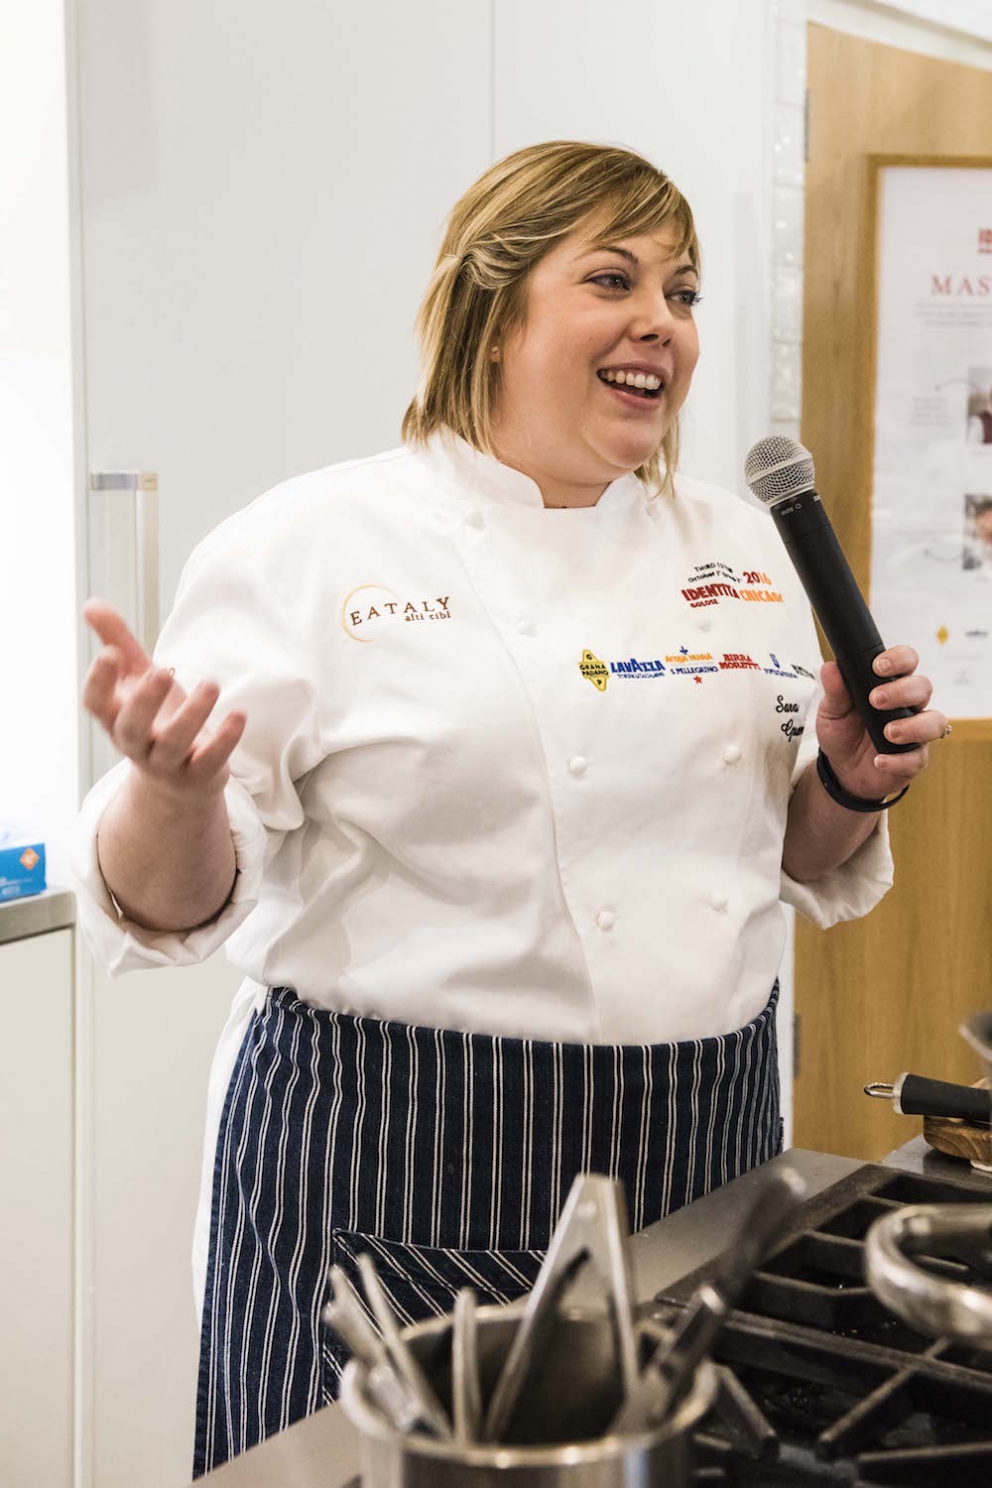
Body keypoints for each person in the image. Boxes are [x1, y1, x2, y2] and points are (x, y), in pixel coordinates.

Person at [71, 141, 948, 1476]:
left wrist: (845, 779)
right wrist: (170, 787)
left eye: (686, 291)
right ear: (492, 307)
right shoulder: (310, 547)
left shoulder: (739, 547)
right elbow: (171, 902)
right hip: (393, 1168)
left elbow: (778, 854)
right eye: (615, 278)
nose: (664, 319)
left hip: (703, 1152)